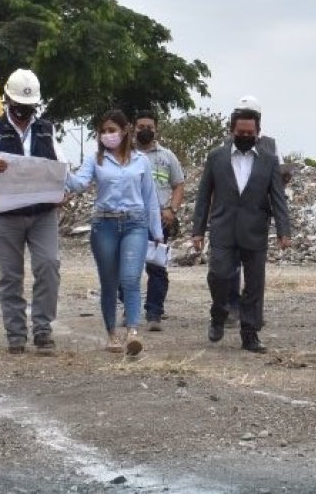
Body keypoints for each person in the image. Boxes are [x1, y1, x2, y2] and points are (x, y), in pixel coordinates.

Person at [0, 68, 64, 355]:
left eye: (29, 107)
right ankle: (16, 334)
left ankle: (42, 329)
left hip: (42, 213)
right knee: (10, 275)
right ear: (7, 101)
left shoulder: (45, 129)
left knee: (48, 265)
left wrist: (66, 179)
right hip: (6, 214)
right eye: (18, 106)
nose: (23, 112)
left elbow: (60, 161)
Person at [191, 110, 291, 353]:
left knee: (255, 284)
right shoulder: (216, 157)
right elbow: (204, 195)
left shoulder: (268, 160)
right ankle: (219, 312)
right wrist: (198, 230)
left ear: (258, 133)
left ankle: (250, 333)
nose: (245, 136)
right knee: (219, 274)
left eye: (250, 133)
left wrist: (283, 230)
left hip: (255, 229)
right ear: (231, 131)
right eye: (240, 133)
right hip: (223, 228)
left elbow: (278, 197)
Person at [67, 110, 163, 355]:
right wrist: (61, 171)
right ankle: (112, 334)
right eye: (103, 131)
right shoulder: (95, 160)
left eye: (112, 130)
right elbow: (79, 184)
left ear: (125, 131)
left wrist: (157, 231)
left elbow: (149, 197)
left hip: (135, 224)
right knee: (109, 282)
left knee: (131, 278)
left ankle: (132, 331)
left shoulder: (140, 160)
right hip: (104, 225)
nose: (108, 135)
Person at [222, 95, 290, 319]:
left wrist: (283, 228)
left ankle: (253, 317)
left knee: (255, 274)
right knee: (228, 269)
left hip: (256, 217)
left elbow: (278, 184)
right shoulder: (226, 146)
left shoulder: (269, 145)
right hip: (230, 219)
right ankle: (230, 306)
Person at [133, 111, 185, 329]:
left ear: (156, 129)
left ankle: (154, 312)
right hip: (131, 219)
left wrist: (172, 210)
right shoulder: (126, 154)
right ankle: (130, 307)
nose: (145, 130)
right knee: (127, 266)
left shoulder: (167, 157)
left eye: (149, 126)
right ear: (132, 129)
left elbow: (178, 185)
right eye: (141, 126)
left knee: (156, 267)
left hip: (160, 220)